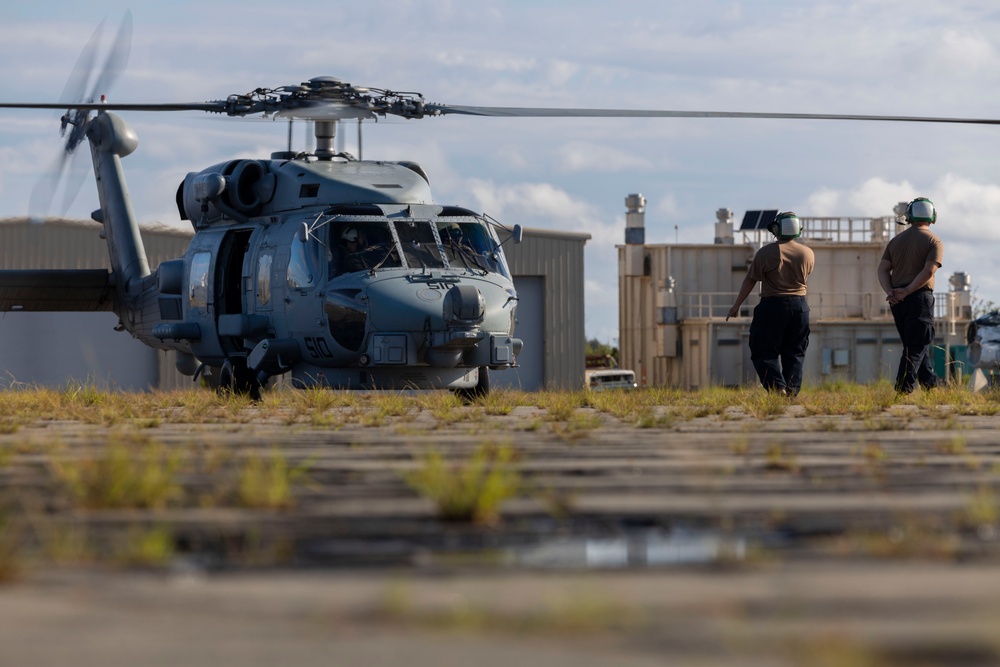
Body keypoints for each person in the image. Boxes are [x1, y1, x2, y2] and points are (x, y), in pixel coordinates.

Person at [727, 211, 815, 396]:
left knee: (764, 349)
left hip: (772, 306)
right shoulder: (808, 253)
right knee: (795, 353)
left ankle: (777, 387)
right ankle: (790, 391)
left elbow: (750, 280)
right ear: (798, 229)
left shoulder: (766, 253)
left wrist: (736, 306)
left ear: (776, 229)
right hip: (800, 308)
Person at [877, 197, 944, 393]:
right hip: (919, 296)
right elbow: (929, 271)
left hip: (897, 301)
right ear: (932, 217)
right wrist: (908, 291)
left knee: (913, 344)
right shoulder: (934, 241)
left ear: (908, 217)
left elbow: (882, 270)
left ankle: (931, 386)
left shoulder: (895, 241)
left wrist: (891, 291)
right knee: (916, 346)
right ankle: (902, 390)